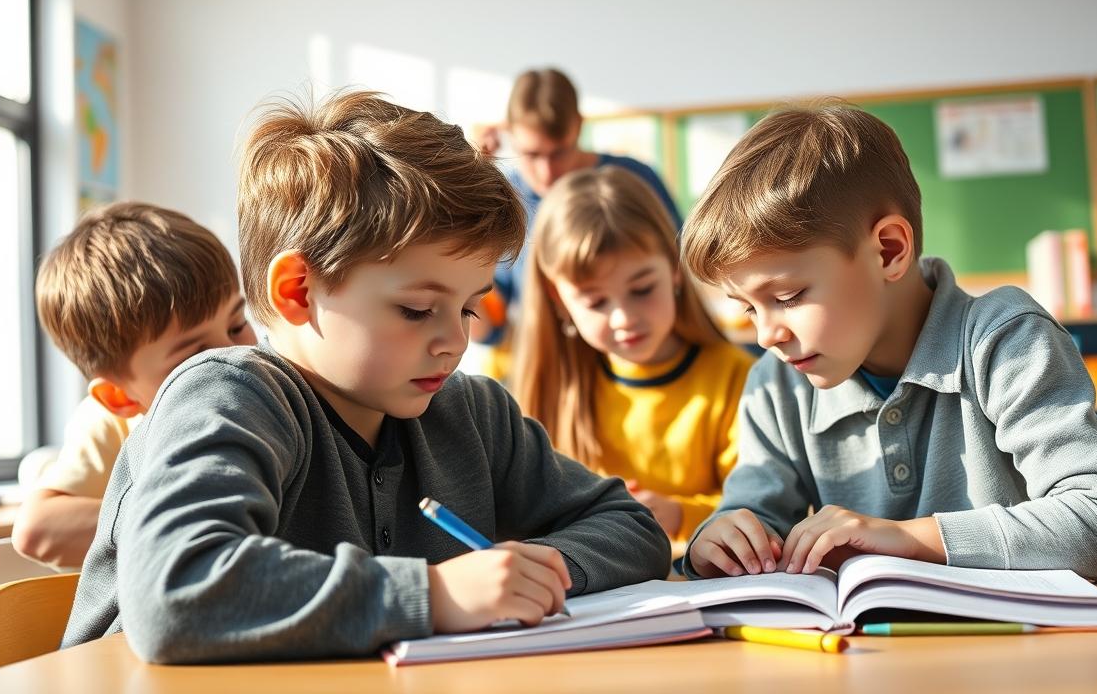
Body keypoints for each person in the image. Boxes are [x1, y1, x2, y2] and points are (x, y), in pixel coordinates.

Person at [59, 91, 672, 663]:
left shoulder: (472, 413)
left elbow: (632, 528)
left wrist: (538, 569)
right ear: (299, 291)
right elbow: (177, 591)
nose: (455, 340)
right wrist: (434, 595)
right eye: (416, 310)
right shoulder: (226, 393)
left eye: (467, 307)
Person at [678, 100, 1097, 583]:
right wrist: (716, 543)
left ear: (888, 251)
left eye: (788, 296)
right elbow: (751, 516)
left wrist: (910, 539)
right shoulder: (776, 384)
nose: (767, 334)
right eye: (748, 308)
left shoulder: (1004, 339)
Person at [514, 166, 752, 543]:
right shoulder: (547, 388)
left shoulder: (738, 378)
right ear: (560, 301)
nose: (624, 318)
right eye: (595, 302)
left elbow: (760, 509)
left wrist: (676, 514)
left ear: (675, 268)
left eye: (642, 289)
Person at [12, 202, 256, 569]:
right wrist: (188, 520)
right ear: (121, 395)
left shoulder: (270, 395)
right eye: (196, 354)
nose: (234, 356)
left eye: (237, 325)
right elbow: (37, 529)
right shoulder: (112, 425)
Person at [471, 68, 681, 361]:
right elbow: (492, 324)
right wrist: (471, 183)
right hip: (555, 366)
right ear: (510, 134)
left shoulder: (632, 179)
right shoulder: (503, 198)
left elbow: (685, 264)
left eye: (559, 153)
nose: (547, 174)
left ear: (579, 127)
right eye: (531, 155)